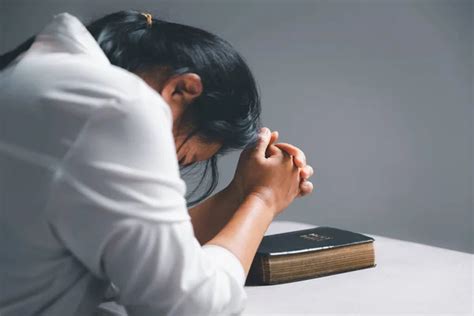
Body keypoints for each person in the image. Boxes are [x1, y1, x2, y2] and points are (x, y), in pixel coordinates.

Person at [0, 10, 314, 316]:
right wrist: (264, 200)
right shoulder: (116, 106)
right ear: (182, 89)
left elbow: (135, 245)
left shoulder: (37, 79)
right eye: (178, 156)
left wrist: (242, 193)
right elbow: (187, 306)